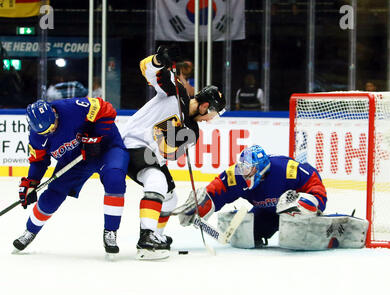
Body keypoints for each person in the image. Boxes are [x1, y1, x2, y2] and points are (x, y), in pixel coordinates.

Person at [120, 46, 226, 260]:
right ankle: (146, 237)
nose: (210, 120)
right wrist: (159, 60)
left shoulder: (193, 132)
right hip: (132, 143)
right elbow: (147, 69)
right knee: (157, 181)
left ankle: (157, 236)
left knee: (170, 196)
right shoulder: (174, 92)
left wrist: (179, 135)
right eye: (212, 114)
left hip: (150, 155)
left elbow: (168, 154)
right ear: (205, 106)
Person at [173, 145, 369, 250]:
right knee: (244, 238)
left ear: (261, 169)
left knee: (297, 241)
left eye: (249, 170)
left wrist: (305, 202)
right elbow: (219, 189)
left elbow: (315, 185)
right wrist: (202, 205)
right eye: (243, 169)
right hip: (266, 213)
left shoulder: (286, 169)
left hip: (294, 213)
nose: (245, 174)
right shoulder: (238, 175)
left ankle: (335, 227)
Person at [13, 97, 129, 256]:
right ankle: (30, 231)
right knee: (51, 196)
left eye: (52, 126)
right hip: (75, 159)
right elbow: (39, 161)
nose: (51, 131)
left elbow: (107, 109)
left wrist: (95, 136)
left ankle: (110, 231)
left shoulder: (73, 107)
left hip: (106, 148)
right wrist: (31, 182)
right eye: (45, 132)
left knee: (115, 180)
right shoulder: (36, 137)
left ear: (54, 112)